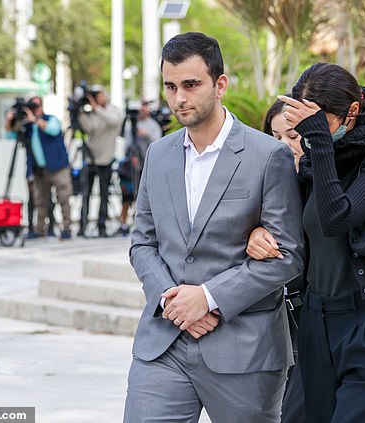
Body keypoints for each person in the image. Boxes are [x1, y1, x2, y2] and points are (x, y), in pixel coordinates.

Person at [122, 32, 304, 423]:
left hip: (245, 348)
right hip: (164, 344)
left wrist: (208, 297)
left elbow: (288, 256)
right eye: (170, 87)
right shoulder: (158, 154)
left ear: (220, 84)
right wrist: (173, 301)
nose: (179, 99)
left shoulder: (267, 155)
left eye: (191, 85)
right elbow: (142, 243)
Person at [248, 62, 365, 422]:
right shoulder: (316, 156)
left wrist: (320, 143)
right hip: (314, 321)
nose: (306, 134)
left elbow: (338, 217)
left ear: (352, 110)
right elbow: (289, 222)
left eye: (317, 121)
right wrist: (258, 231)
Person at [259, 97, 306, 423]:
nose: (283, 146)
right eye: (274, 138)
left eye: (291, 135)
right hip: (271, 319)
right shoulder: (261, 182)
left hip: (312, 318)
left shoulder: (322, 183)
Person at [5, 96, 73, 240]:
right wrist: (10, 119)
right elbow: (9, 134)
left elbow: (53, 130)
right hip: (40, 170)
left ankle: (66, 228)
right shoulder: (27, 126)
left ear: (41, 107)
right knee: (40, 201)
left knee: (63, 198)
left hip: (58, 167)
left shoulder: (50, 119)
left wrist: (35, 120)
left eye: (35, 106)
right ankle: (39, 229)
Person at [77, 85, 124, 237]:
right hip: (91, 159)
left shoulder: (113, 111)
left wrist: (96, 108)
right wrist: (79, 114)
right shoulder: (92, 113)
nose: (97, 98)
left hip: (106, 160)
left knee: (104, 194)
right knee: (86, 193)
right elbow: (88, 129)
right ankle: (82, 224)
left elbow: (113, 122)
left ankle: (101, 225)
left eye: (99, 95)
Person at [115, 100, 163, 236]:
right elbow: (126, 144)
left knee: (145, 196)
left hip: (147, 165)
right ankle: (123, 223)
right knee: (127, 195)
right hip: (131, 166)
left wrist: (146, 134)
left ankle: (146, 225)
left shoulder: (153, 125)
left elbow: (158, 143)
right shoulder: (131, 125)